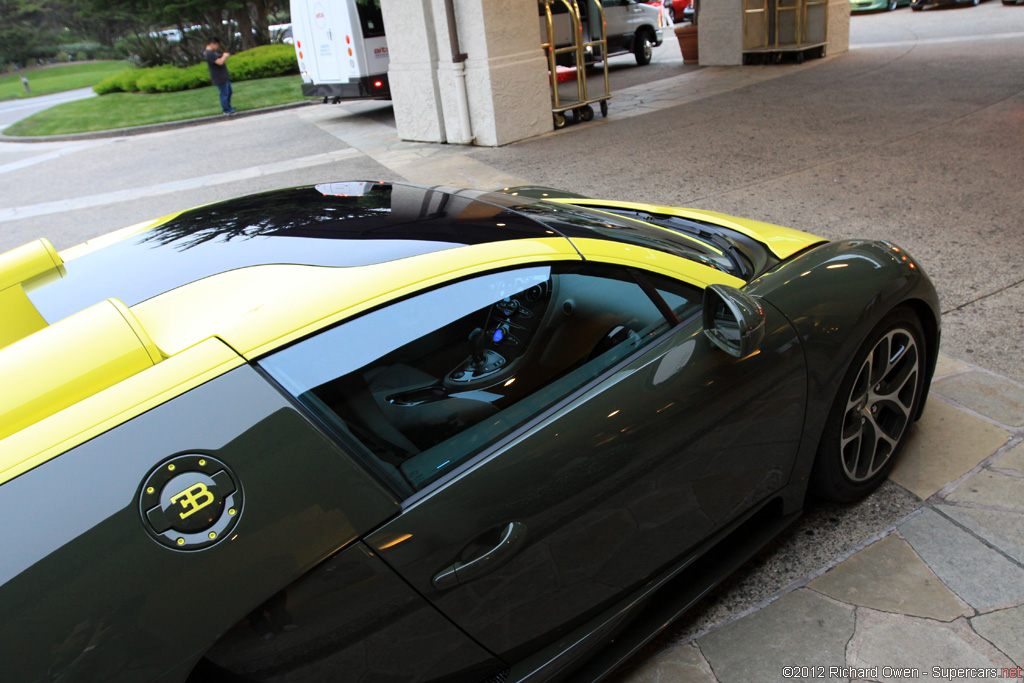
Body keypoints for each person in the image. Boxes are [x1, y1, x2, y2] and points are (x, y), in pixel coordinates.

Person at [204, 38, 235, 115]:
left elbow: (219, 57)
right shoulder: (209, 53)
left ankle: (228, 106)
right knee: (224, 94)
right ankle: (226, 110)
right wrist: (224, 57)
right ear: (212, 43)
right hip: (219, 77)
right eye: (216, 44)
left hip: (223, 76)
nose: (217, 46)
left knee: (229, 92)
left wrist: (223, 55)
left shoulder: (212, 53)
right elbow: (219, 62)